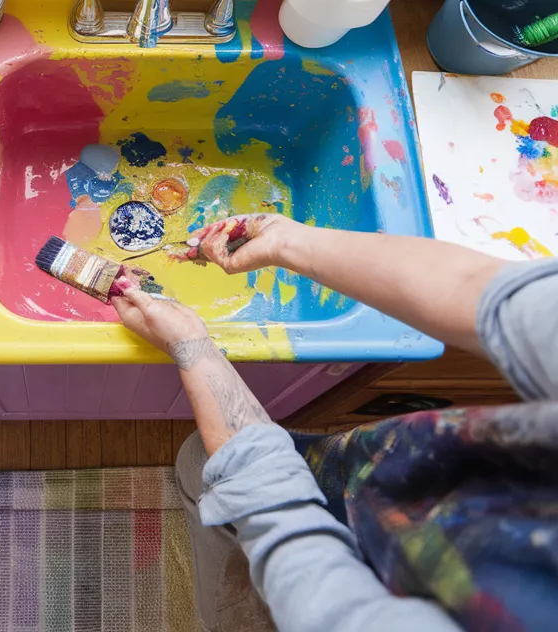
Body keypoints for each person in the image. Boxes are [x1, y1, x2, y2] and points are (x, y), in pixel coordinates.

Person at [111, 213, 557, 632]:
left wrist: (191, 345)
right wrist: (287, 239)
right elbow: (482, 293)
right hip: (377, 474)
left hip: (342, 588)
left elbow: (316, 588)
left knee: (246, 599)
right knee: (198, 460)